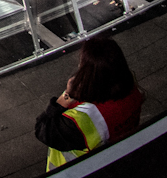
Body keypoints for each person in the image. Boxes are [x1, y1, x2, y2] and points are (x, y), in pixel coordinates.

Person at [34, 36, 144, 171]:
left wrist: (67, 96)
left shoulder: (82, 118)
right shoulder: (130, 86)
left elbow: (43, 130)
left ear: (88, 71)